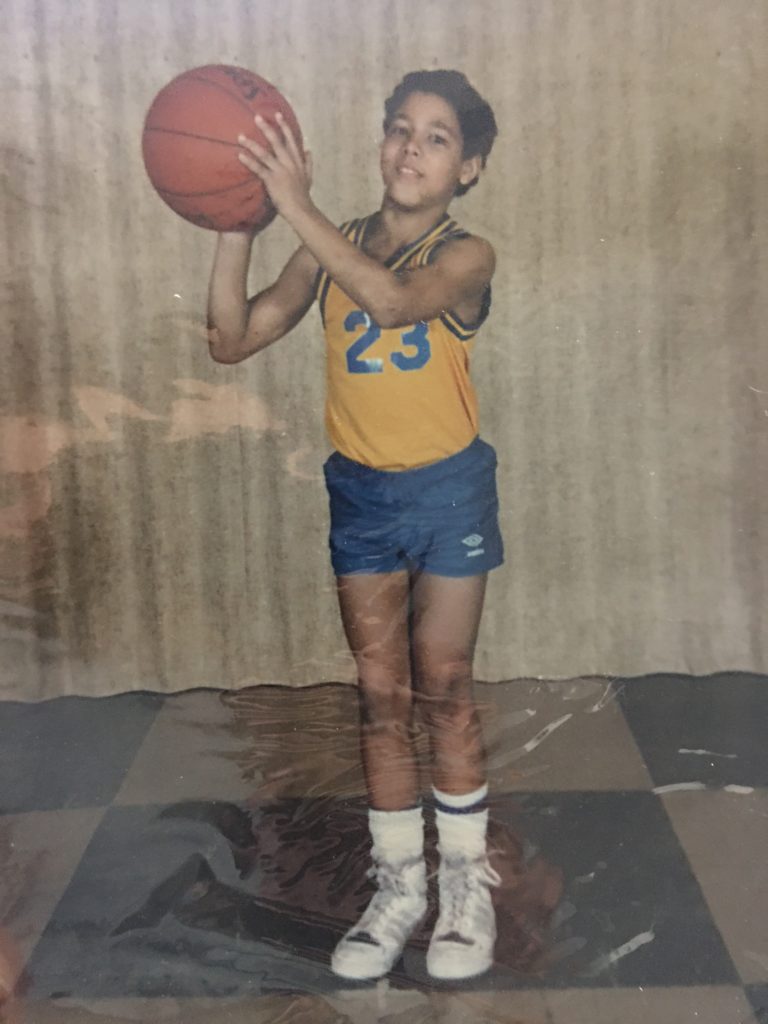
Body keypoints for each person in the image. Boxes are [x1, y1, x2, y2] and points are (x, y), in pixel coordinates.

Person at [207, 69, 503, 982]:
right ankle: (399, 883)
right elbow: (230, 337)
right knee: (378, 690)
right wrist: (233, 227)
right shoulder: (323, 243)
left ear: (470, 168)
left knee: (442, 682)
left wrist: (295, 207)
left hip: (449, 488)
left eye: (437, 137)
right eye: (398, 128)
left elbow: (390, 301)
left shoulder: (469, 254)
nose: (410, 148)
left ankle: (464, 884)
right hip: (364, 493)